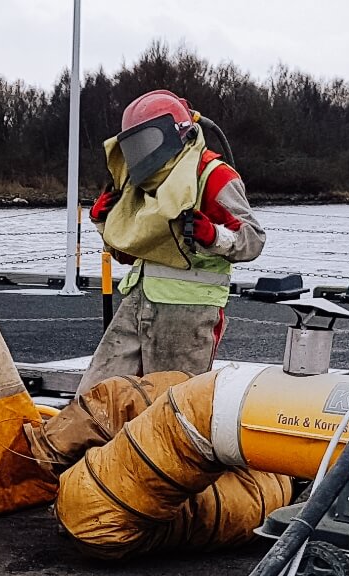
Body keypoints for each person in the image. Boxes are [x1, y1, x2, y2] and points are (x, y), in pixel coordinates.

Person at [77, 90, 266, 393]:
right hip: (139, 301)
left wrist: (213, 236)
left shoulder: (213, 175)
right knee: (96, 396)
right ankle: (89, 441)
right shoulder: (140, 182)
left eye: (146, 141)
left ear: (175, 134)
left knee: (170, 411)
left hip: (189, 312)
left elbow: (252, 241)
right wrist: (105, 224)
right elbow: (129, 253)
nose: (141, 152)